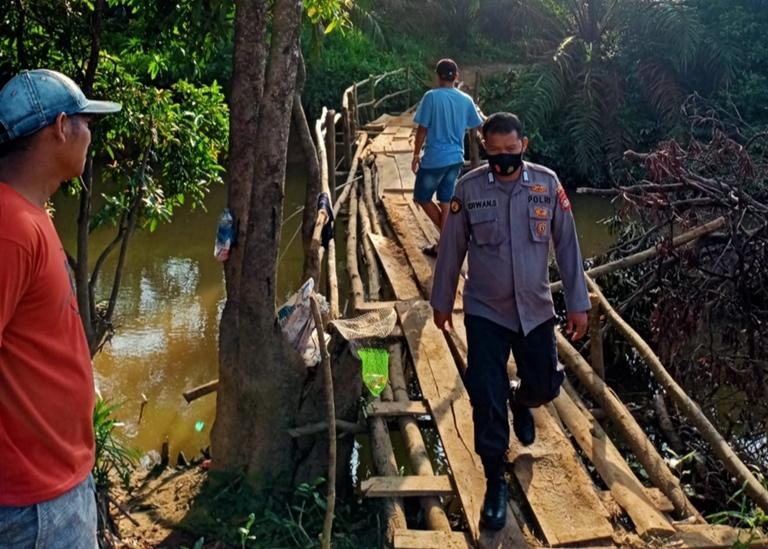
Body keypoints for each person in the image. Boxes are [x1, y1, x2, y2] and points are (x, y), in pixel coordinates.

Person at [430, 112, 590, 531]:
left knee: (544, 384)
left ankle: (522, 400)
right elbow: (451, 249)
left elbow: (568, 245)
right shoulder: (468, 190)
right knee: (485, 393)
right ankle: (494, 479)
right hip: (485, 311)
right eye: (494, 150)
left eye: (510, 149)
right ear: (484, 148)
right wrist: (442, 302)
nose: (503, 157)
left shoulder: (546, 184)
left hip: (535, 310)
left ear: (524, 144)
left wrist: (578, 303)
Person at [0, 69, 121, 547]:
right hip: (34, 510)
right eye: (88, 122)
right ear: (60, 126)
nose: (91, 136)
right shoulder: (10, 228)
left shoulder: (29, 213)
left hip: (57, 488)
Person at [412, 58, 483, 256]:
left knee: (422, 197)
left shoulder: (431, 97)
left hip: (434, 159)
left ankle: (449, 236)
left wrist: (416, 154)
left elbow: (422, 129)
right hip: (456, 159)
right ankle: (444, 243)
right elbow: (480, 125)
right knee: (445, 200)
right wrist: (491, 143)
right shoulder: (466, 100)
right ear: (456, 77)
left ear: (437, 76)